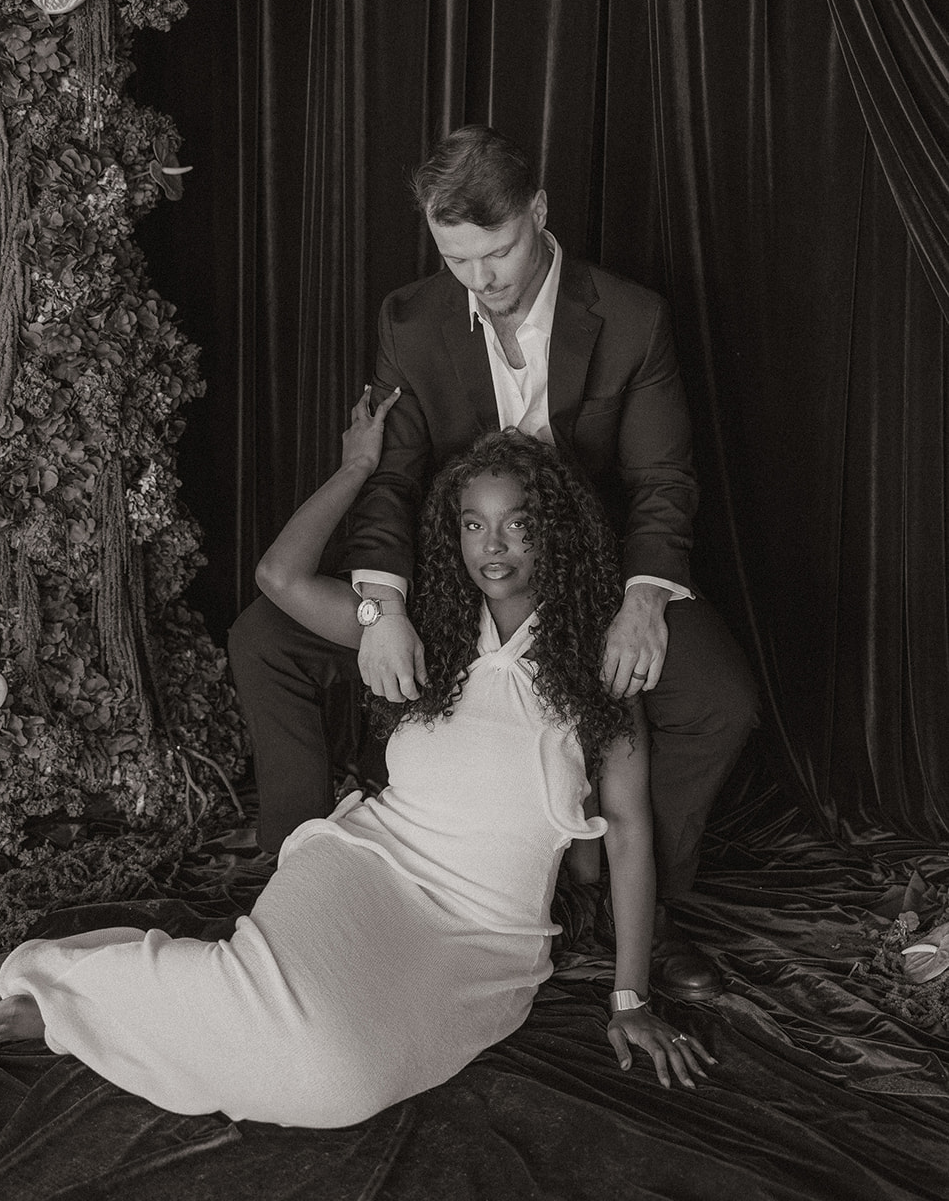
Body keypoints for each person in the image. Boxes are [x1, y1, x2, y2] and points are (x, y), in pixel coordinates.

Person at [0, 402, 715, 1125]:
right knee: (263, 1005)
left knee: (338, 1086)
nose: (493, 547)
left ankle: (80, 1010)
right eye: (472, 526)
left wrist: (628, 996)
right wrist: (357, 468)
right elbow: (279, 579)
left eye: (515, 524)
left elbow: (629, 837)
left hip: (485, 936)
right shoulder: (424, 632)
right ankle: (50, 976)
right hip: (367, 867)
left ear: (555, 531)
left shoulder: (595, 671)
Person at [230, 126, 760, 1000]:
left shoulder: (630, 317)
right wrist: (383, 607)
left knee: (720, 702)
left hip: (593, 577)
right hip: (464, 576)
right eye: (457, 259)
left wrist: (641, 603)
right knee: (262, 638)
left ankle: (642, 909)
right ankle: (295, 879)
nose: (482, 280)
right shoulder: (411, 318)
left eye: (499, 252)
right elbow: (394, 479)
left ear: (538, 213)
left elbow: (663, 481)